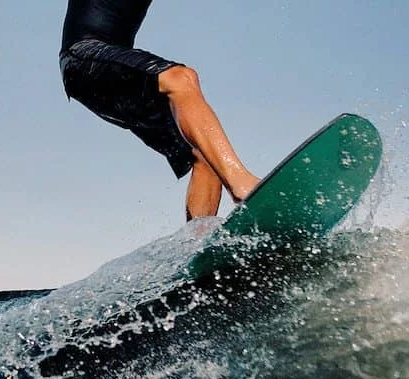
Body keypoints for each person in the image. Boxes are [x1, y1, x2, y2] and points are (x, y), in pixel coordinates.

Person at [59, 0, 260, 221]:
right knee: (181, 79)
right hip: (82, 58)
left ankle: (199, 243)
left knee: (204, 154)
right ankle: (240, 182)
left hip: (114, 72)